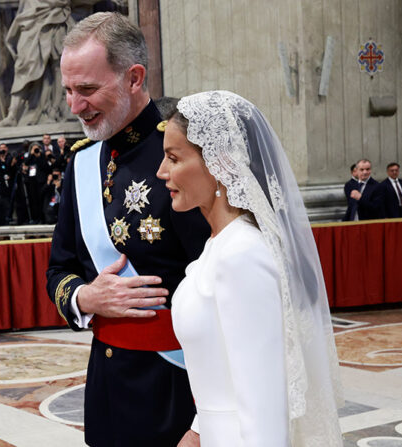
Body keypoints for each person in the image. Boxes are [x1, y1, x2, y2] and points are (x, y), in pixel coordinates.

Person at [46, 12, 209, 446]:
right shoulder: (81, 163)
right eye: (67, 90)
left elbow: (225, 285)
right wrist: (85, 296)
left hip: (180, 386)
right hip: (108, 387)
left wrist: (204, 422)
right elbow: (59, 269)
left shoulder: (184, 154)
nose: (74, 106)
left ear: (134, 78)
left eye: (87, 89)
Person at [157, 90, 343, 446]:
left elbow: (265, 404)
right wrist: (198, 430)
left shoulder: (241, 253)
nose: (161, 171)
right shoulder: (219, 245)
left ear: (219, 162)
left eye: (173, 158)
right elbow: (224, 369)